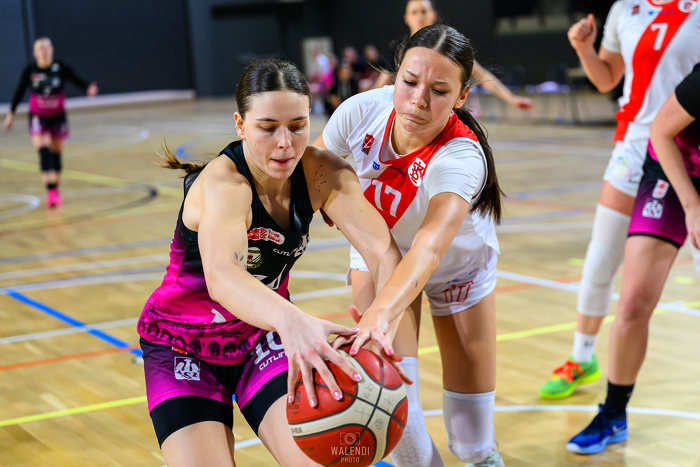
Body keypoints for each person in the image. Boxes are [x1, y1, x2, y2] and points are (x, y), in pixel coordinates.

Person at [136, 59, 408, 467]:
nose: (285, 143)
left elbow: (384, 252)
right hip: (182, 346)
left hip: (261, 338)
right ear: (240, 125)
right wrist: (292, 320)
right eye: (268, 128)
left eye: (298, 126)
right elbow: (223, 277)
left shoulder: (322, 173)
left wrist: (381, 323)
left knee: (319, 460)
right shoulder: (225, 186)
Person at [316, 24, 505, 467]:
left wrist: (381, 312)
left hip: (457, 267)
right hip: (380, 255)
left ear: (461, 97)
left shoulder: (461, 156)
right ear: (395, 74)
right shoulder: (361, 111)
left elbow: (429, 248)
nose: (419, 100)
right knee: (395, 410)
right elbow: (312, 168)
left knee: (473, 440)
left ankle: (483, 455)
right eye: (410, 81)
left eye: (439, 91)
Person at [540, 0, 700, 400]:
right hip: (634, 146)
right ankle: (582, 358)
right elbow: (608, 78)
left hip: (686, 148)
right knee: (600, 258)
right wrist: (584, 49)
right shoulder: (624, 9)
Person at [567, 63, 700, 454]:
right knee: (633, 302)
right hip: (673, 171)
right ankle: (613, 414)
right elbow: (661, 130)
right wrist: (692, 206)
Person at [372, 0, 533, 112]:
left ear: (433, 14)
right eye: (414, 12)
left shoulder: (448, 46)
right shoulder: (398, 48)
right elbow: (381, 84)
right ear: (407, 18)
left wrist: (512, 99)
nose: (419, 17)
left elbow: (481, 75)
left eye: (423, 11)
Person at [4, 37, 98, 207]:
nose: (44, 52)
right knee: (44, 151)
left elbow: (75, 78)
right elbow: (19, 91)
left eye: (46, 48)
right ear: (35, 53)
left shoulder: (59, 67)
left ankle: (55, 189)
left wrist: (87, 88)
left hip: (58, 116)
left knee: (56, 154)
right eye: (40, 49)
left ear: (52, 50)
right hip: (38, 117)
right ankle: (50, 191)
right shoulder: (31, 70)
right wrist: (10, 114)